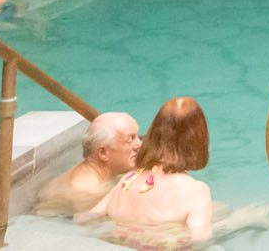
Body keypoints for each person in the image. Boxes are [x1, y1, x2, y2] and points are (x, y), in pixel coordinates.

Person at [89, 97, 215, 249]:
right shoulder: (196, 191)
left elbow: (85, 219)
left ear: (154, 132)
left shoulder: (126, 182)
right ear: (199, 139)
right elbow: (202, 241)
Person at [39, 111, 140, 215]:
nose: (139, 145)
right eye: (130, 139)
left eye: (137, 137)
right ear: (103, 153)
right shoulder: (88, 190)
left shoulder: (100, 175)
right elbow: (93, 227)